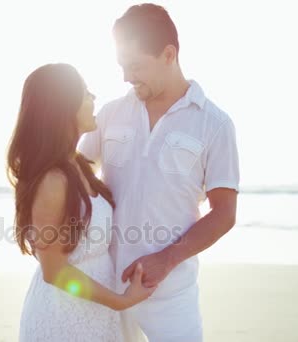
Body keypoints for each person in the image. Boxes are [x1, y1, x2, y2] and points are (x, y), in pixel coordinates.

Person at [78, 4, 240, 341]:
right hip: (106, 284)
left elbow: (224, 214)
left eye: (135, 66)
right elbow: (73, 174)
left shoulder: (214, 123)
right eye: (122, 66)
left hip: (170, 292)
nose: (126, 77)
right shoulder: (110, 113)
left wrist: (166, 260)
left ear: (169, 54)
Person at [7, 63, 157, 342]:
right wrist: (120, 301)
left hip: (99, 317)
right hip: (62, 322)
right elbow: (55, 272)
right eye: (85, 93)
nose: (93, 98)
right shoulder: (52, 180)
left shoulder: (77, 165)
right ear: (63, 107)